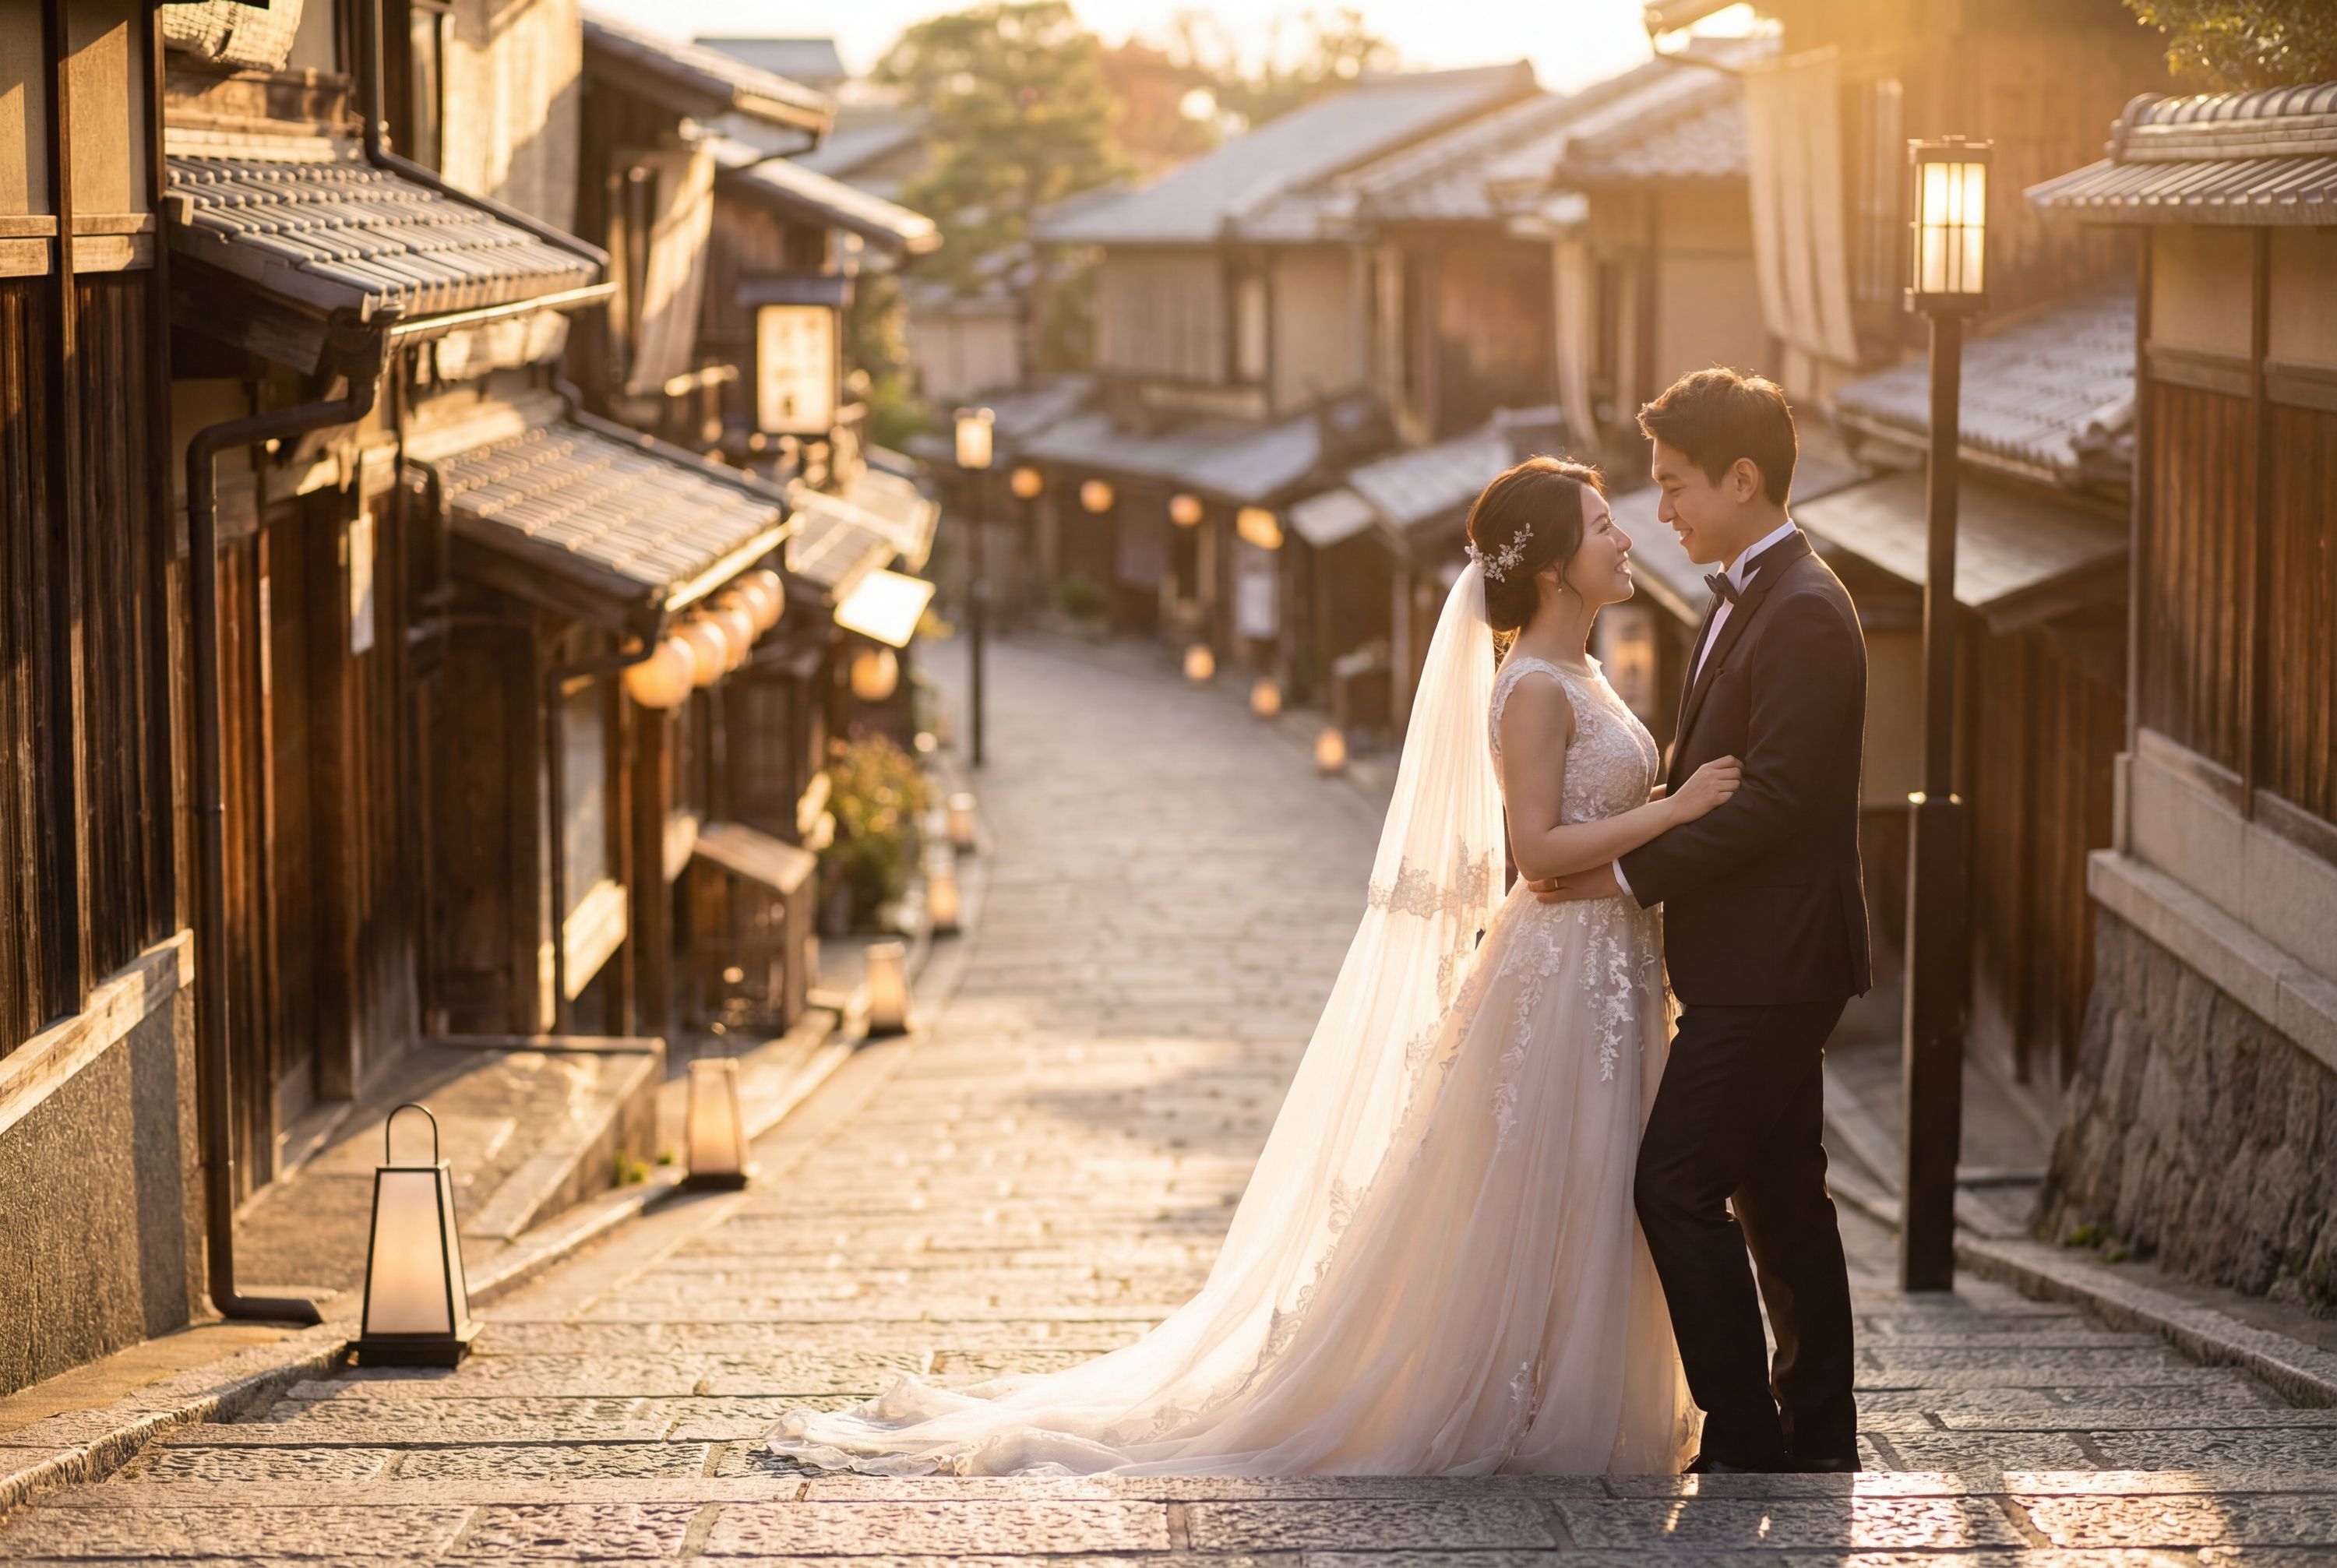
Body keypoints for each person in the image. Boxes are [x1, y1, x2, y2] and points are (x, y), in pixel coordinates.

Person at [767, 456, 1740, 1477]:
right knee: (1546, 1179)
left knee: (1592, 1180)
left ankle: (1567, 1389)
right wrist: (1673, 811)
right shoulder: (1533, 690)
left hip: (1608, 965)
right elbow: (1536, 853)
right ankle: (1522, 1401)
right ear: (1548, 567)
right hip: (1562, 970)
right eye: (1599, 526)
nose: (1623, 536)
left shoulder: (1584, 674)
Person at [1533, 367, 1870, 1474]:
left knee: (1672, 1181)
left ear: (1743, 477)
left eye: (1676, 486)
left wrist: (1633, 880)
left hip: (1776, 960)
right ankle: (1812, 1433)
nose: (1662, 510)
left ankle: (1749, 1433)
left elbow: (1773, 799)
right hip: (1749, 957)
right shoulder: (1748, 597)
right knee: (1778, 1191)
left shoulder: (1808, 610)